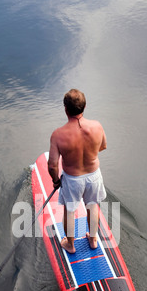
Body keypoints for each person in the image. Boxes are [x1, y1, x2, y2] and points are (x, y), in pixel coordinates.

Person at [48, 89, 107, 253]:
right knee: (93, 206)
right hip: (94, 176)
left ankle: (70, 244)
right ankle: (93, 239)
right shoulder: (97, 126)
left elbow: (52, 165)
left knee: (70, 210)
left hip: (73, 179)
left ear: (65, 109)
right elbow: (103, 146)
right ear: (84, 106)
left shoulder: (58, 135)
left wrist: (55, 180)